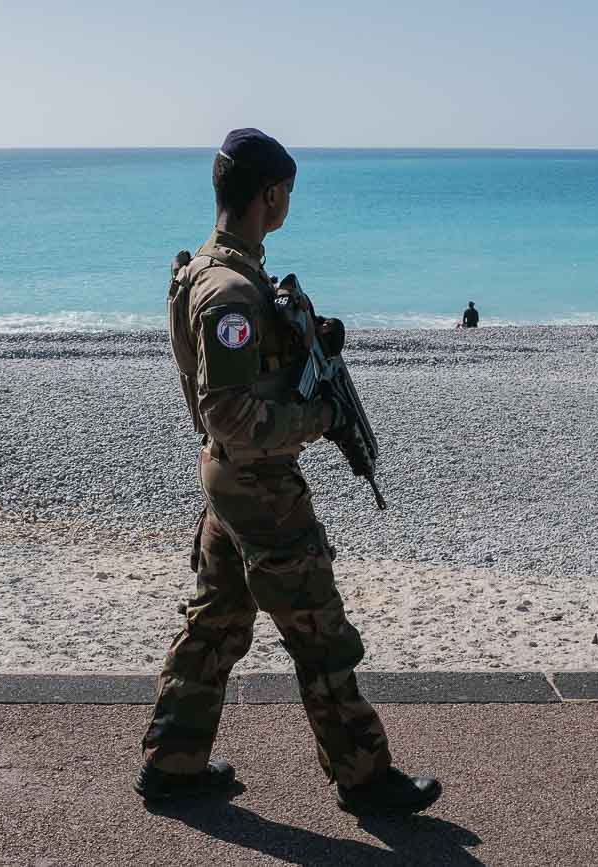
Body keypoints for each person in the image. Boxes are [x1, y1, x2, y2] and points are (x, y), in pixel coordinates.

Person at [137, 128, 441, 815]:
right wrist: (319, 421)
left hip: (228, 484)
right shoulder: (229, 294)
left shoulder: (211, 270)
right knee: (319, 632)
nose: (288, 204)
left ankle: (173, 761)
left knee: (216, 619)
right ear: (268, 195)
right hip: (259, 487)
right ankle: (365, 778)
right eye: (286, 194)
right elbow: (229, 414)